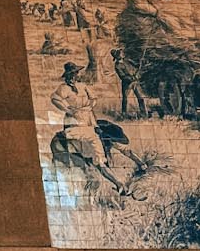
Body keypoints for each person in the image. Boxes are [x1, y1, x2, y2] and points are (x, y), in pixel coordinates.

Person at [50, 62, 136, 198]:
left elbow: (94, 98)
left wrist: (89, 107)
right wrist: (68, 109)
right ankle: (116, 181)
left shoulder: (83, 86)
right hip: (74, 122)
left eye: (75, 74)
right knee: (93, 142)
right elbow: (54, 99)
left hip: (88, 118)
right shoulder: (63, 88)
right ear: (66, 76)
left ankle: (120, 175)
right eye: (70, 74)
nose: (73, 77)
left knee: (101, 134)